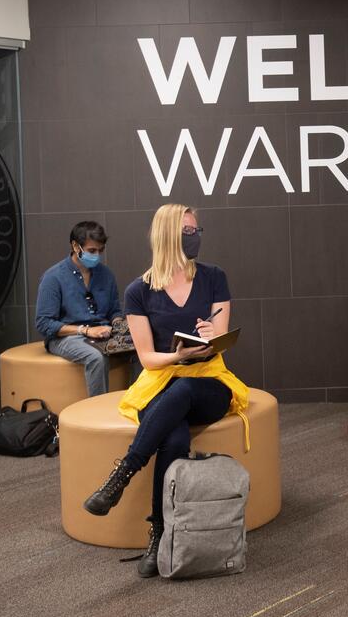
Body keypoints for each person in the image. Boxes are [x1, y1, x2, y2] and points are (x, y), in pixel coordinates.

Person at [81, 204, 248, 578]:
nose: (196, 236)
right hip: (160, 381)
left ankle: (122, 475)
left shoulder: (214, 277)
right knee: (172, 438)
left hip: (209, 382)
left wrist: (209, 337)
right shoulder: (139, 290)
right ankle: (160, 534)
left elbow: (222, 337)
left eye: (196, 229)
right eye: (188, 231)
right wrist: (177, 355)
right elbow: (147, 358)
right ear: (168, 236)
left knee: (187, 386)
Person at [34, 221, 124, 396]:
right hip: (66, 337)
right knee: (96, 358)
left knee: (139, 352)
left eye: (100, 250)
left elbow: (114, 311)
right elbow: (44, 323)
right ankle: (97, 413)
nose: (97, 255)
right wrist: (86, 331)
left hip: (103, 334)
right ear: (75, 246)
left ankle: (136, 408)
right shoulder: (53, 277)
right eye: (92, 251)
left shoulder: (106, 274)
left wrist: (120, 326)